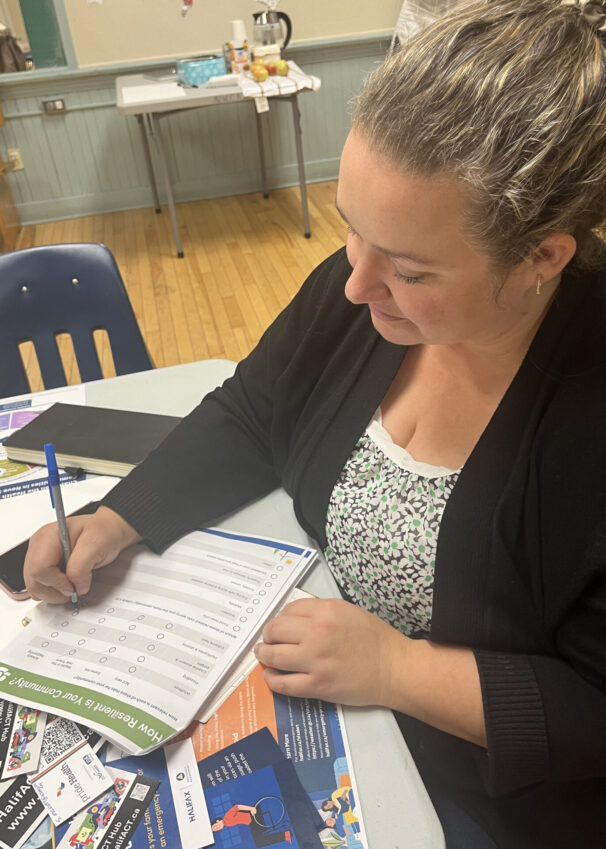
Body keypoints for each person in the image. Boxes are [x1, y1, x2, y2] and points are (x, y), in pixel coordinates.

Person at [23, 0, 606, 846]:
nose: (354, 286)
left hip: (481, 794)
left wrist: (397, 668)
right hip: (319, 696)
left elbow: (593, 705)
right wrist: (119, 517)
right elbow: (256, 409)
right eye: (350, 232)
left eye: (408, 270)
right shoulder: (365, 297)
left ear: (543, 257)